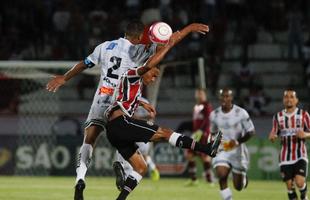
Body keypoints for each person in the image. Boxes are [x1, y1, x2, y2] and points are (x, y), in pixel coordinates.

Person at [105, 23, 222, 200]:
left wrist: (143, 105)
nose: (153, 78)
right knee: (165, 133)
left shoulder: (134, 83)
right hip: (119, 124)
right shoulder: (133, 71)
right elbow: (151, 62)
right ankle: (206, 149)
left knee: (141, 168)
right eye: (153, 74)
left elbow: (123, 98)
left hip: (115, 129)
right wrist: (187, 30)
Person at [46, 20, 157, 200]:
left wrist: (64, 78)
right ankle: (119, 163)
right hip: (120, 103)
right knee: (123, 135)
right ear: (138, 37)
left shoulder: (104, 46)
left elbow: (84, 64)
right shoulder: (137, 51)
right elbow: (158, 52)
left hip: (102, 98)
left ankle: (80, 179)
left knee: (89, 140)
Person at [210, 88, 255, 200]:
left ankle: (243, 179)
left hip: (237, 150)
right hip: (223, 149)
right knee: (221, 175)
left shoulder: (241, 113)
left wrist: (238, 142)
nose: (224, 99)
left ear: (231, 97)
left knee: (238, 186)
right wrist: (212, 144)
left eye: (227, 96)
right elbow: (213, 132)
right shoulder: (214, 114)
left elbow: (251, 131)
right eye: (222, 96)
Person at [269, 89, 310, 200]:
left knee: (299, 182)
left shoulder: (304, 115)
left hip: (300, 154)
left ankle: (304, 195)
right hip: (284, 156)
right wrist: (272, 136)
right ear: (283, 100)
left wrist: (305, 134)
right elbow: (274, 132)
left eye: (292, 97)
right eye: (286, 97)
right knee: (289, 186)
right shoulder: (277, 117)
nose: (289, 99)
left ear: (296, 100)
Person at [113, 97, 160, 191]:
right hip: (137, 131)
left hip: (138, 131)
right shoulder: (139, 101)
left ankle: (127, 179)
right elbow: (149, 117)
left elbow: (133, 118)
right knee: (139, 155)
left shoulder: (138, 101)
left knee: (134, 155)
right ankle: (152, 168)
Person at [185, 88, 213, 186]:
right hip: (196, 134)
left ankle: (209, 180)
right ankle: (193, 179)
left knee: (205, 157)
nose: (199, 95)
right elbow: (195, 122)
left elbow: (208, 120)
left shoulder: (207, 106)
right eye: (197, 94)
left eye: (201, 94)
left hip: (204, 134)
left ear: (205, 95)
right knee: (189, 155)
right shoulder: (197, 106)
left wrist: (202, 131)